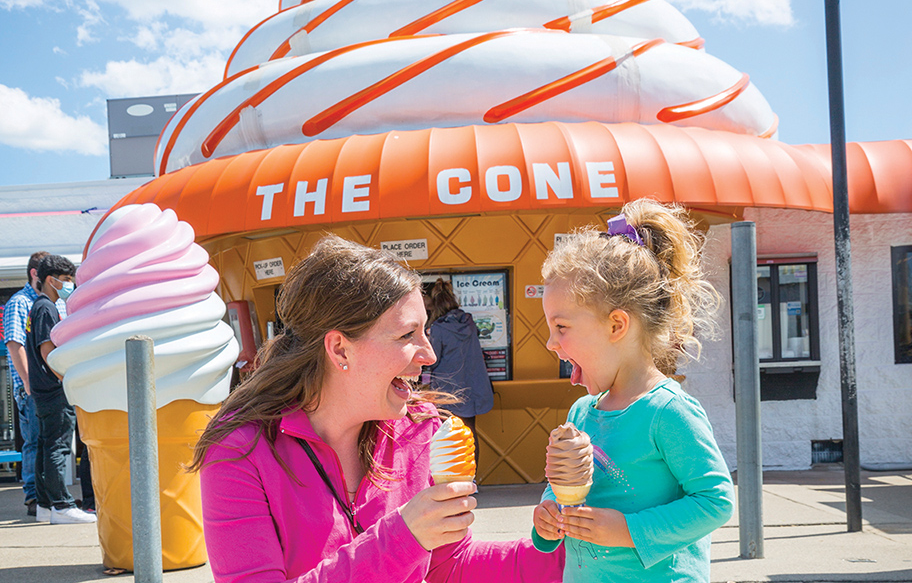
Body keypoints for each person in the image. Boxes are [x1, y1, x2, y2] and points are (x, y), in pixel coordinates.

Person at [192, 236, 563, 582]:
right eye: (406, 336)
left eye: (426, 332)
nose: (429, 355)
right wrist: (403, 536)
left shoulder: (420, 429)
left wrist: (580, 549)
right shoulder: (240, 451)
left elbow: (449, 567)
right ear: (339, 349)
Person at [531, 199, 734, 582]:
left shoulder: (668, 412)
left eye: (561, 327)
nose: (550, 342)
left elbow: (716, 501)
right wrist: (547, 516)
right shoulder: (581, 413)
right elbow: (564, 489)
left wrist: (628, 531)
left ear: (616, 325)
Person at [26, 254, 96, 525]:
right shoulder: (46, 308)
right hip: (54, 389)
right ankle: (62, 505)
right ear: (50, 280)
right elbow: (48, 351)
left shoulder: (39, 307)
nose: (69, 285)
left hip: (42, 389)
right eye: (66, 280)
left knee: (46, 445)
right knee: (58, 446)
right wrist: (67, 379)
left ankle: (45, 504)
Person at [424, 278, 494, 467]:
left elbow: (432, 359)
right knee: (470, 433)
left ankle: (451, 476)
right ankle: (471, 479)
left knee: (446, 434)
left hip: (447, 391)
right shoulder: (468, 322)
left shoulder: (438, 328)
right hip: (471, 388)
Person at [3, 251, 50, 515]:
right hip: (33, 388)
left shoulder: (49, 301)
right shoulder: (20, 302)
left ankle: (48, 495)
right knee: (34, 441)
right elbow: (14, 344)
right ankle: (33, 497)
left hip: (52, 386)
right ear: (35, 274)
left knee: (50, 442)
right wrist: (29, 384)